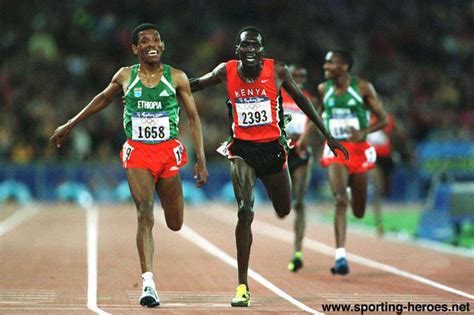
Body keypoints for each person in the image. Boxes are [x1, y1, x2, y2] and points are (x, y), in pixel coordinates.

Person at [49, 23, 208, 308]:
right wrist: (71, 124)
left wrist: (201, 159)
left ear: (163, 45)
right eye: (144, 40)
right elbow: (102, 99)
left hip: (168, 151)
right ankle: (148, 282)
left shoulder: (178, 77)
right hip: (138, 152)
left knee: (175, 223)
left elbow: (194, 118)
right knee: (145, 212)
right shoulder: (125, 76)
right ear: (135, 48)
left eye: (156, 39)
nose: (151, 44)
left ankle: (150, 271)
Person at [190, 27, 348, 307]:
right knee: (244, 210)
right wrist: (163, 88)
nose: (250, 50)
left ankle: (276, 204)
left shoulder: (278, 71)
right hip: (242, 150)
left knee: (284, 209)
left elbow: (302, 101)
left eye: (255, 45)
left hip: (274, 149)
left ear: (262, 50)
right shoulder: (226, 71)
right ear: (237, 50)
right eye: (245, 45)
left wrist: (328, 136)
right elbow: (195, 84)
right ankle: (242, 285)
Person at [299, 50, 388, 276]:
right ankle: (340, 256)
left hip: (358, 150)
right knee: (340, 199)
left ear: (345, 66)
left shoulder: (363, 88)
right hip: (336, 148)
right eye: (326, 62)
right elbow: (316, 116)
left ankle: (351, 190)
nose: (326, 66)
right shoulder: (323, 89)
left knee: (358, 211)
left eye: (331, 63)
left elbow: (384, 118)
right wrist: (304, 138)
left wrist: (364, 132)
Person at [281, 65, 317, 272]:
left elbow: (315, 121)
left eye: (302, 75)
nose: (299, 79)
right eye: (295, 76)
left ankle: (297, 251)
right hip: (279, 152)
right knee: (283, 203)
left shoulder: (308, 98)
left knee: (300, 201)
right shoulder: (277, 95)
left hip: (301, 153)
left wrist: (305, 138)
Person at [367, 112, 412, 236]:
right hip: (373, 157)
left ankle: (387, 218)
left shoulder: (388, 118)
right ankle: (379, 224)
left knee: (386, 190)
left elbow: (400, 134)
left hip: (387, 158)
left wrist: (405, 148)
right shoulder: (366, 118)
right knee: (378, 187)